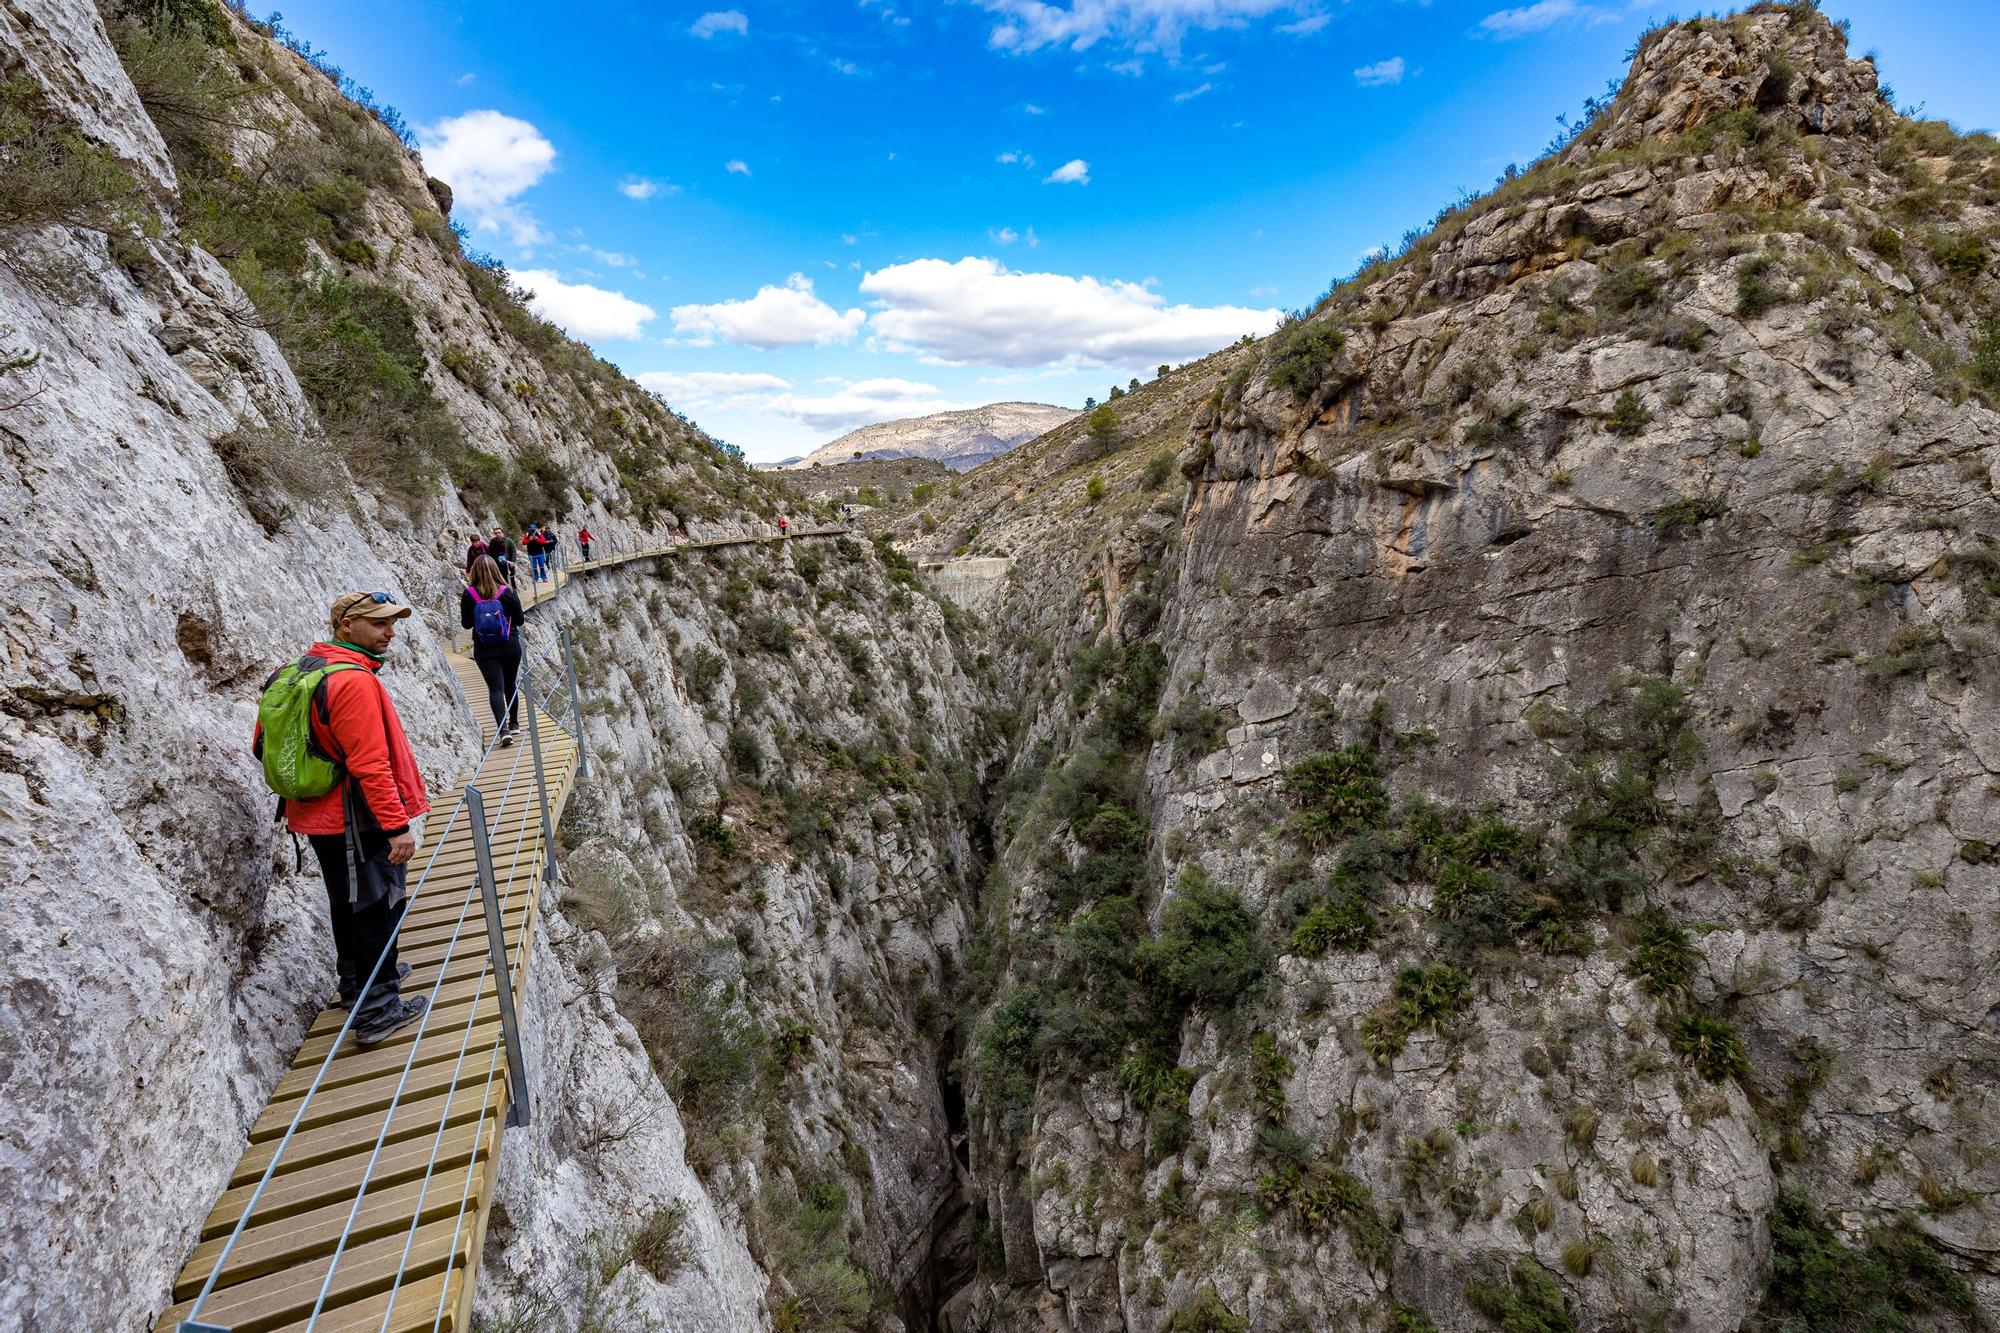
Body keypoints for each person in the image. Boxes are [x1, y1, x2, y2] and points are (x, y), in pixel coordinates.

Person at [254, 591, 431, 1046]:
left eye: (392, 623)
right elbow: (371, 764)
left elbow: (260, 743)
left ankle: (360, 982)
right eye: (379, 624)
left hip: (317, 816)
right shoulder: (353, 681)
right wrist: (396, 826)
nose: (390, 632)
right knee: (378, 905)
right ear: (347, 625)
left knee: (348, 901)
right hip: (358, 817)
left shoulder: (300, 669)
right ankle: (378, 1010)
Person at [460, 555, 526, 745]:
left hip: (484, 647)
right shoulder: (507, 592)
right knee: (510, 684)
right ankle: (514, 723)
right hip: (510, 644)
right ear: (496, 570)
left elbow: (466, 624)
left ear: (474, 572)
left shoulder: (469, 594)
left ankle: (503, 730)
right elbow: (520, 620)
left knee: (495, 688)